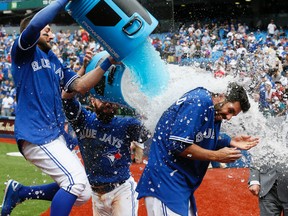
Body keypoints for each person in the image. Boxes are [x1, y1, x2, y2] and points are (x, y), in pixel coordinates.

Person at [0, 0, 115, 215]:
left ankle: (21, 192)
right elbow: (34, 26)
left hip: (53, 134)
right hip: (35, 133)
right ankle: (20, 193)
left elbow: (80, 86)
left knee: (83, 193)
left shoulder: (54, 60)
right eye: (47, 31)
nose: (52, 36)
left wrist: (108, 62)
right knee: (74, 182)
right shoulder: (23, 52)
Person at [136, 82, 259, 216]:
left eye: (232, 115)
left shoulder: (212, 108)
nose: (228, 117)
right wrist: (216, 156)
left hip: (178, 184)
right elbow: (179, 145)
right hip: (166, 181)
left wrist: (229, 141)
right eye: (230, 110)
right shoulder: (200, 100)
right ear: (222, 96)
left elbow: (199, 137)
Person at [62, 96, 149, 216]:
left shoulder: (126, 124)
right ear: (92, 100)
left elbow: (148, 131)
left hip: (121, 191)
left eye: (112, 99)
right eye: (102, 98)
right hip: (96, 194)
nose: (108, 103)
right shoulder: (83, 120)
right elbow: (66, 98)